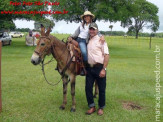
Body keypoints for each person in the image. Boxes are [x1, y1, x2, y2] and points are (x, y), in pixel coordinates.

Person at [85, 23, 109, 116]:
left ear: (97, 30)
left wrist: (104, 69)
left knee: (102, 89)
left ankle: (101, 107)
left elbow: (106, 55)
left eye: (93, 29)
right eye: (90, 29)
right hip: (89, 68)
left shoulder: (101, 40)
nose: (91, 31)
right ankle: (92, 106)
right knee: (88, 88)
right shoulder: (88, 40)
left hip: (100, 68)